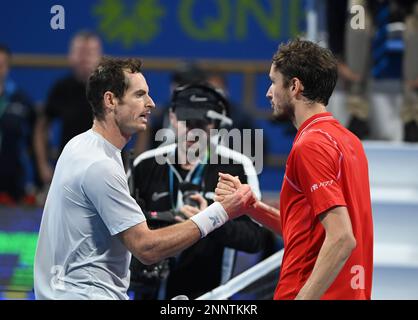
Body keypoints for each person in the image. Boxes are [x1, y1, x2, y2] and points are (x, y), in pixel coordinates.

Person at [33, 57, 255, 300]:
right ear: (110, 100)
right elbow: (145, 247)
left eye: (147, 95)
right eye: (139, 95)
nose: (150, 103)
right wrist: (219, 213)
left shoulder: (80, 145)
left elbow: (254, 239)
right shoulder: (101, 164)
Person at [215, 39, 374, 300]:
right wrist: (252, 207)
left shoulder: (311, 145)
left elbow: (342, 238)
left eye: (273, 81)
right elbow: (310, 232)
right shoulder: (349, 141)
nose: (268, 93)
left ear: (294, 86)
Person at [129, 83, 270, 299]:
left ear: (214, 124)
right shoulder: (145, 165)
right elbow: (126, 231)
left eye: (201, 123)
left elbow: (256, 238)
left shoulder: (237, 166)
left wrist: (212, 222)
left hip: (211, 295)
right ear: (173, 118)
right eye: (187, 121)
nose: (193, 131)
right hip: (149, 292)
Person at [327, 0, 418, 141]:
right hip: (367, 9)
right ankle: (358, 113)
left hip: (408, 8)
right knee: (358, 13)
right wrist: (337, 57)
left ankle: (413, 118)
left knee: (415, 25)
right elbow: (335, 12)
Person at [33, 31, 102, 187]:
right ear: (70, 56)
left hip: (106, 171)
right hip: (68, 171)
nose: (84, 58)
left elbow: (143, 126)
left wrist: (131, 166)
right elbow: (40, 128)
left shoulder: (112, 87)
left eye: (89, 53)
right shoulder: (61, 88)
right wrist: (43, 166)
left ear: (99, 56)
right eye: (79, 52)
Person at [0, 44, 37, 204]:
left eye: (0, 65)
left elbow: (34, 138)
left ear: (7, 67)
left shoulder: (21, 100)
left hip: (12, 182)